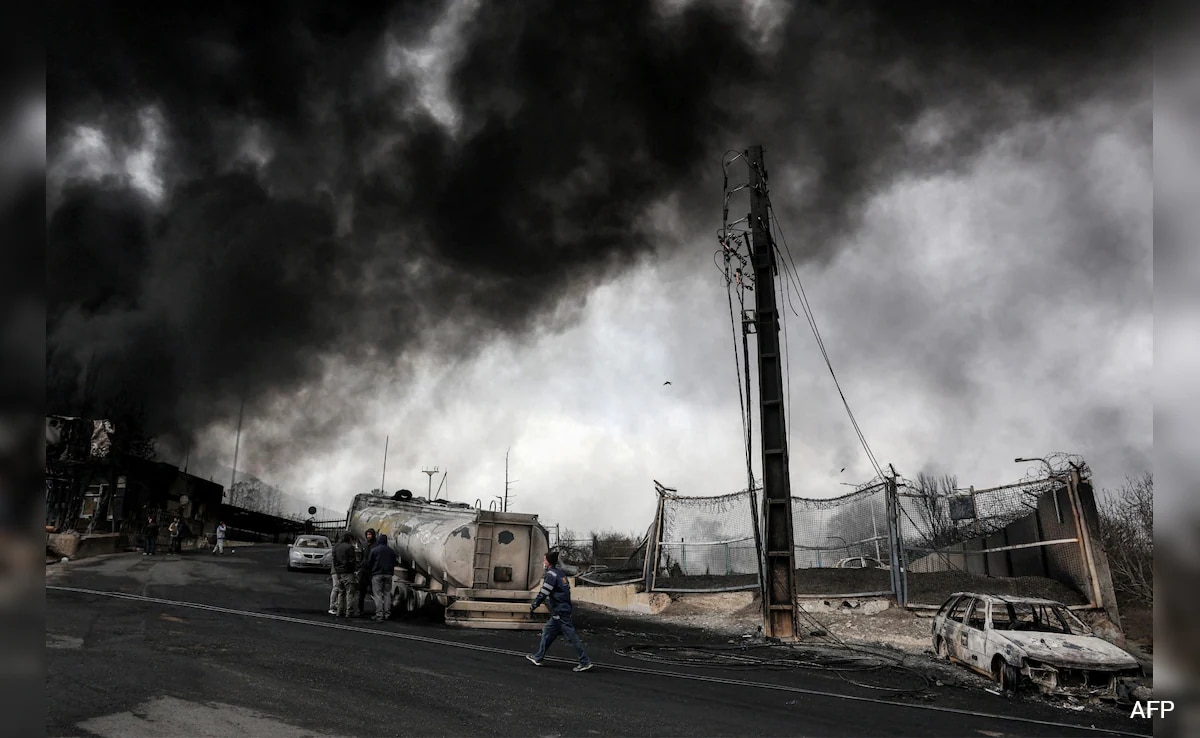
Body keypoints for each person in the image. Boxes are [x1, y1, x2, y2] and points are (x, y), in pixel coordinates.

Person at [526, 550, 592, 671]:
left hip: (560, 612)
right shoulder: (561, 574)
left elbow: (544, 593)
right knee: (547, 631)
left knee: (572, 637)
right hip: (561, 610)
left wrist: (534, 605)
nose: (543, 562)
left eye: (544, 560)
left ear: (549, 562)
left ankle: (585, 661)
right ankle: (538, 657)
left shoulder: (551, 575)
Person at [366, 533, 397, 621]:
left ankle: (379, 614)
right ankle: (387, 614)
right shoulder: (391, 551)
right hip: (388, 574)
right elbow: (395, 562)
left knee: (378, 594)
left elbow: (369, 563)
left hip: (377, 574)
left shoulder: (374, 550)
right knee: (387, 594)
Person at [331, 532, 360, 618]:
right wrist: (354, 569)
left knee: (341, 592)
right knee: (350, 592)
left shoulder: (337, 547)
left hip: (339, 572)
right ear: (350, 539)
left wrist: (337, 569)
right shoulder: (350, 547)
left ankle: (339, 610)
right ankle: (349, 611)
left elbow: (334, 560)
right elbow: (351, 560)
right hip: (347, 572)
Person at [356, 528, 377, 616]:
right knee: (361, 592)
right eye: (367, 534)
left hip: (371, 571)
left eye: (370, 535)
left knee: (374, 592)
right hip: (363, 571)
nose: (368, 536)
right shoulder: (364, 545)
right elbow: (361, 557)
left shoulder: (375, 546)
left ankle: (377, 610)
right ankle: (360, 609)